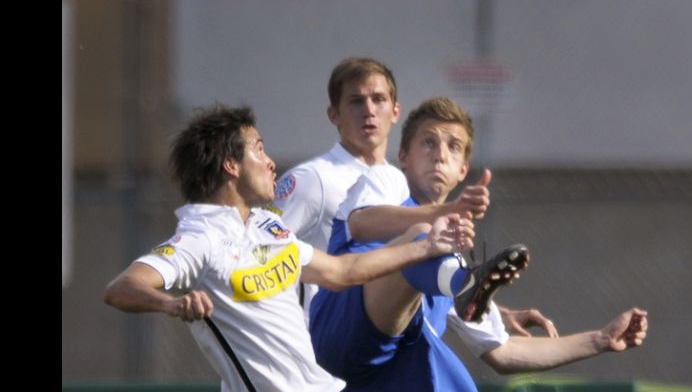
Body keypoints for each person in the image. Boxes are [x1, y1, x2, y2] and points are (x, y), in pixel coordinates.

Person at [102, 104, 477, 392]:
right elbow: (121, 288)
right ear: (231, 165)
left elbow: (343, 272)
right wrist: (170, 304)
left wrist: (427, 247)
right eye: (259, 149)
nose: (270, 162)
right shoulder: (200, 237)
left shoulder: (267, 227)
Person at [309, 97, 648, 390]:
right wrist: (445, 214)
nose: (440, 155)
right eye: (428, 142)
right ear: (403, 155)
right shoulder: (386, 181)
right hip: (337, 333)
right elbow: (362, 223)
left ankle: (465, 287)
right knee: (424, 237)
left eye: (453, 147)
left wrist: (601, 339)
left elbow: (503, 353)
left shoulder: (448, 256)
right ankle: (464, 284)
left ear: (463, 170)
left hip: (380, 375)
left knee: (442, 349)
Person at [272, 56, 557, 339]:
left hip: (368, 345)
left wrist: (496, 315)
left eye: (378, 99)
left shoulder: (398, 186)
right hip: (311, 343)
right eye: (356, 101)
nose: (369, 110)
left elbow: (402, 274)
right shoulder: (312, 179)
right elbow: (262, 252)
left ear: (395, 111)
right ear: (334, 114)